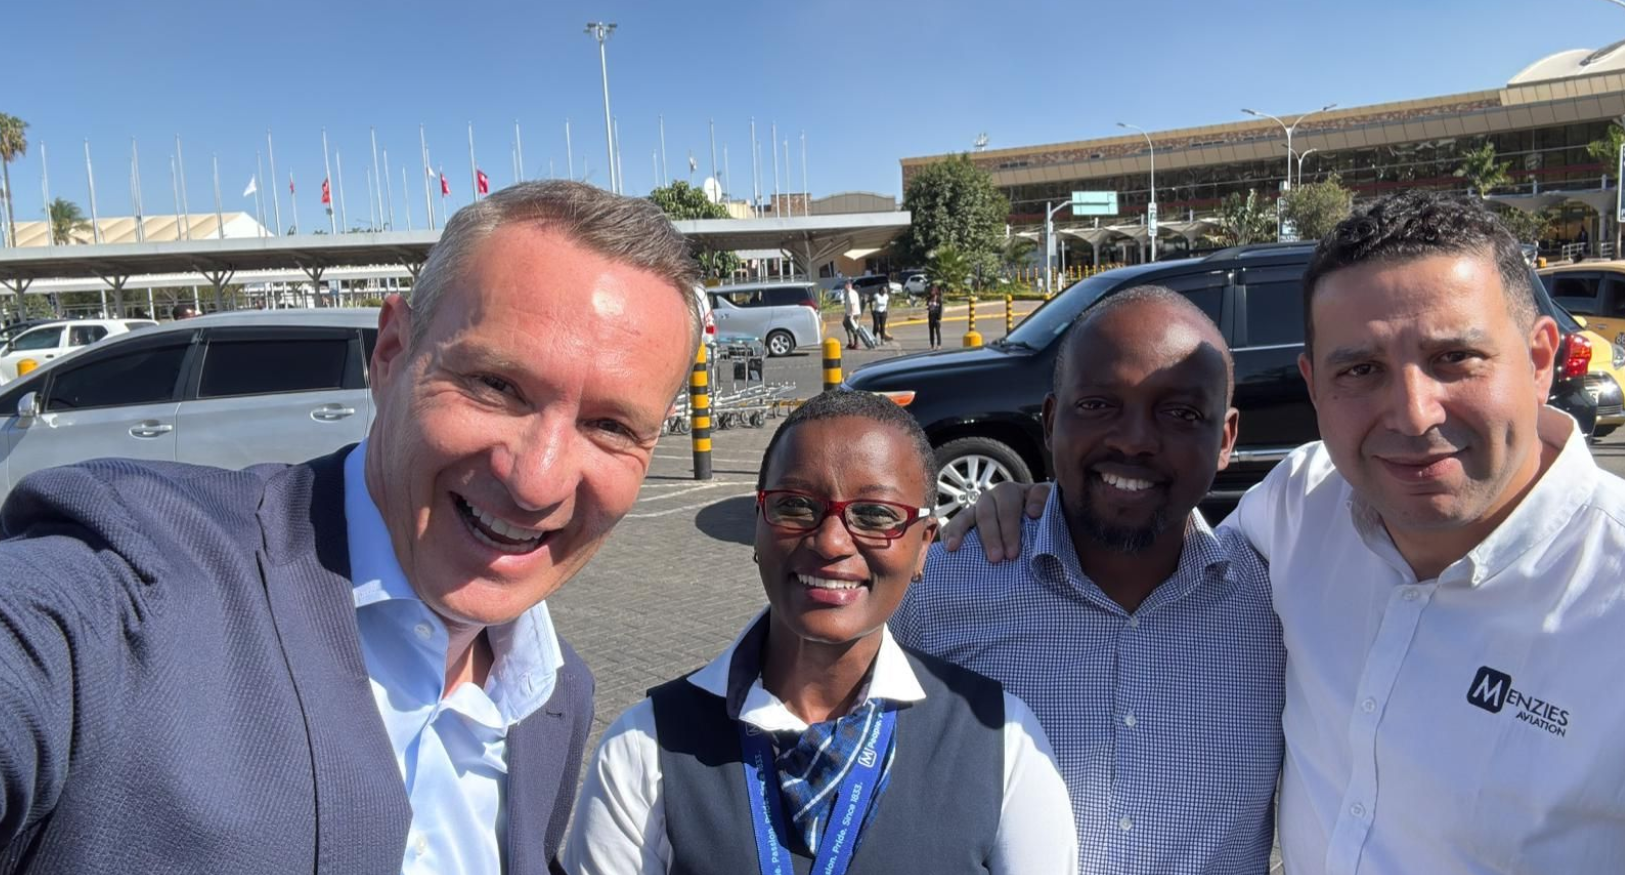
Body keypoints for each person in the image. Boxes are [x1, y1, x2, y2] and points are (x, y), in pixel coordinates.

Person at [0, 181, 705, 874]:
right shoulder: (136, 588)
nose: (538, 481)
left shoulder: (554, 696)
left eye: (610, 426)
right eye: (496, 385)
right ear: (391, 354)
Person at [944, 190, 1625, 873]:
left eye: (1453, 358)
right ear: (1313, 384)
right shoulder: (1301, 506)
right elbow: (1155, 530)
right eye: (1360, 369)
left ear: (1540, 360)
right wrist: (1044, 498)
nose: (1413, 414)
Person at [564, 390, 1078, 874]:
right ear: (758, 525)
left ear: (924, 545)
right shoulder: (645, 747)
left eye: (876, 514)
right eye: (794, 505)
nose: (831, 541)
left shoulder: (1000, 739)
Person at [893, 287, 1283, 874]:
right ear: (1051, 421)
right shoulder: (940, 588)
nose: (1133, 440)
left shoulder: (1280, 605)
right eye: (1100, 404)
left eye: (1179, 413)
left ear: (1225, 439)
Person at [843, 280, 862, 349]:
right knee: (846, 324)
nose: (844, 287)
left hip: (853, 314)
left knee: (853, 328)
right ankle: (851, 342)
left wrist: (851, 315)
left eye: (845, 285)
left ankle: (855, 343)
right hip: (851, 313)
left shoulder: (851, 293)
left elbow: (853, 304)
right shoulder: (850, 293)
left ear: (848, 286)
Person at [926, 285, 944, 350]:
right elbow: (928, 306)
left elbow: (941, 309)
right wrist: (928, 307)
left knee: (937, 331)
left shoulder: (938, 299)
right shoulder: (929, 298)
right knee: (931, 332)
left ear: (936, 291)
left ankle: (939, 345)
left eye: (933, 291)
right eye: (931, 291)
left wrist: (939, 318)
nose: (931, 292)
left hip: (936, 318)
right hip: (931, 317)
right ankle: (932, 345)